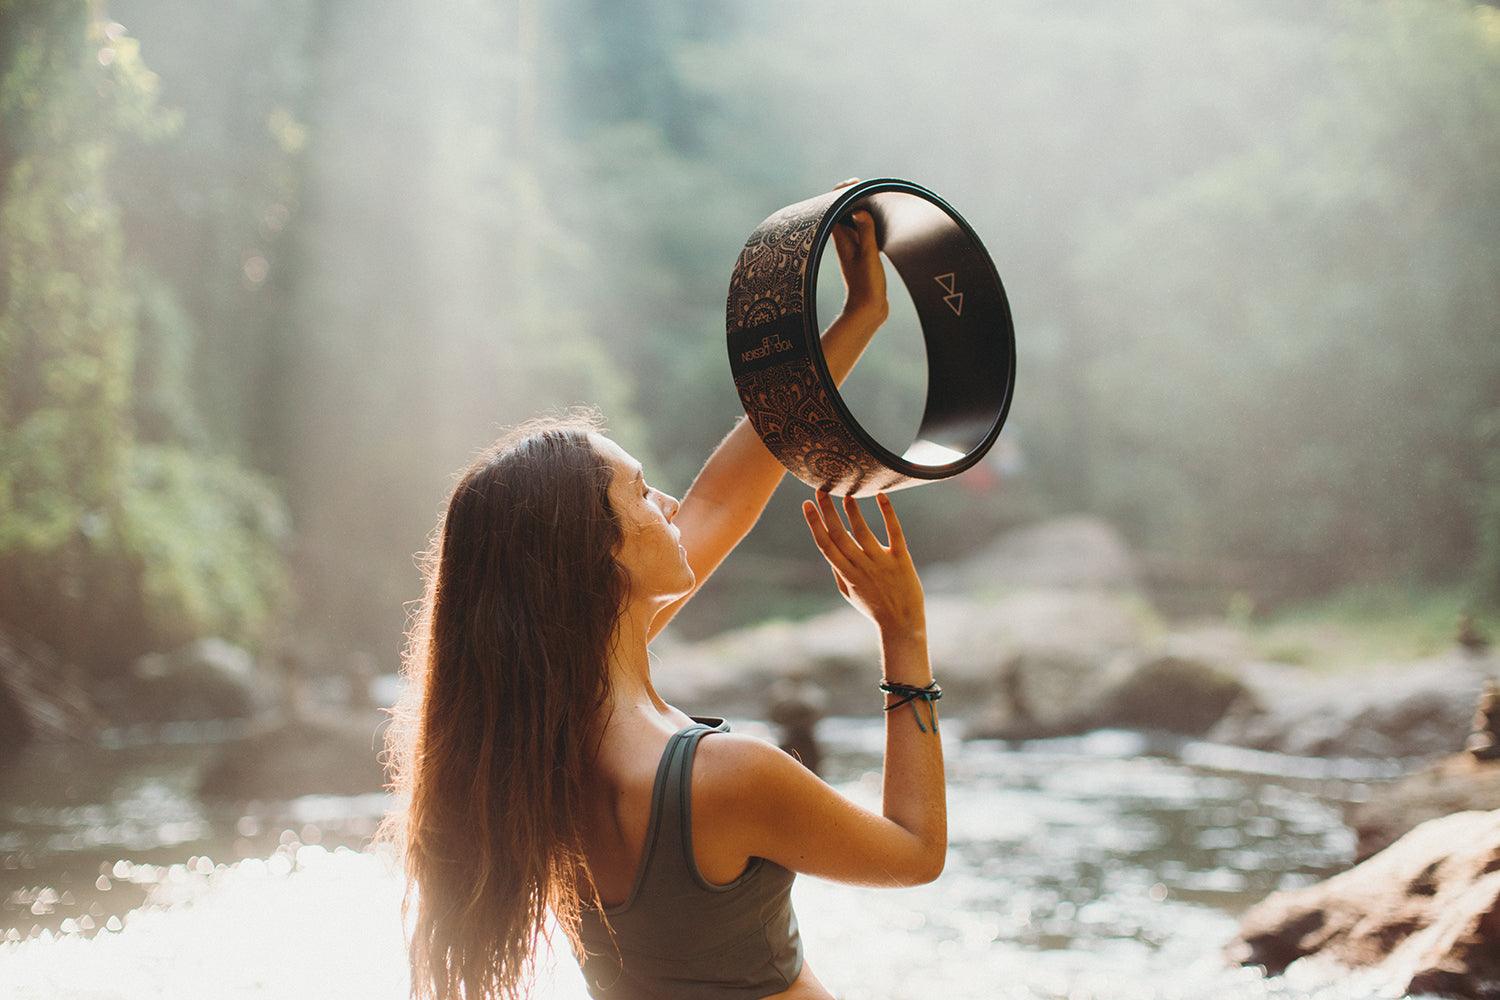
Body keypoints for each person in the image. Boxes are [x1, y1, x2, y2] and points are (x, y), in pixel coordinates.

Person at [376, 180, 947, 1000]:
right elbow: (914, 852)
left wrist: (859, 319)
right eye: (641, 493)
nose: (673, 504)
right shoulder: (725, 778)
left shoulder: (533, 746)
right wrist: (904, 632)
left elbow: (724, 499)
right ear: (598, 558)